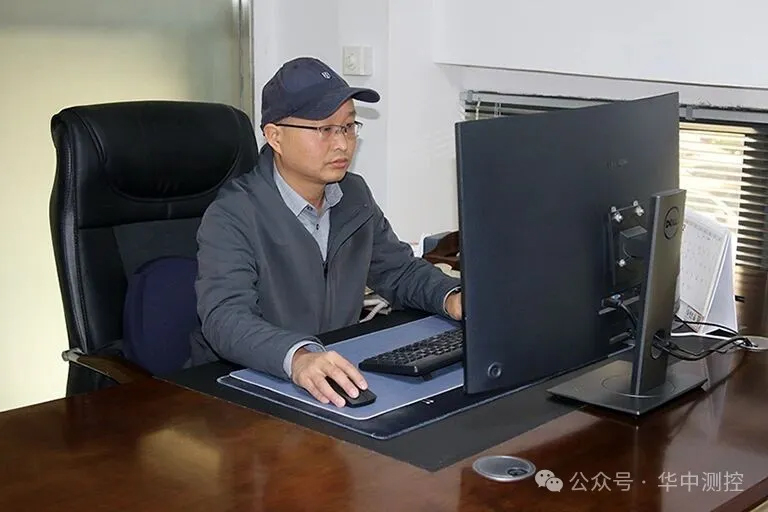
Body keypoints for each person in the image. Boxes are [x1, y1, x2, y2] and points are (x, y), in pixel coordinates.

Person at [190, 56, 462, 407]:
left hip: (331, 373)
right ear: (275, 136)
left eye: (348, 127)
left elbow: (398, 272)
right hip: (239, 386)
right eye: (324, 129)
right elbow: (225, 319)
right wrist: (298, 356)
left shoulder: (354, 196)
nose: (342, 144)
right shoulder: (234, 213)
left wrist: (452, 297)